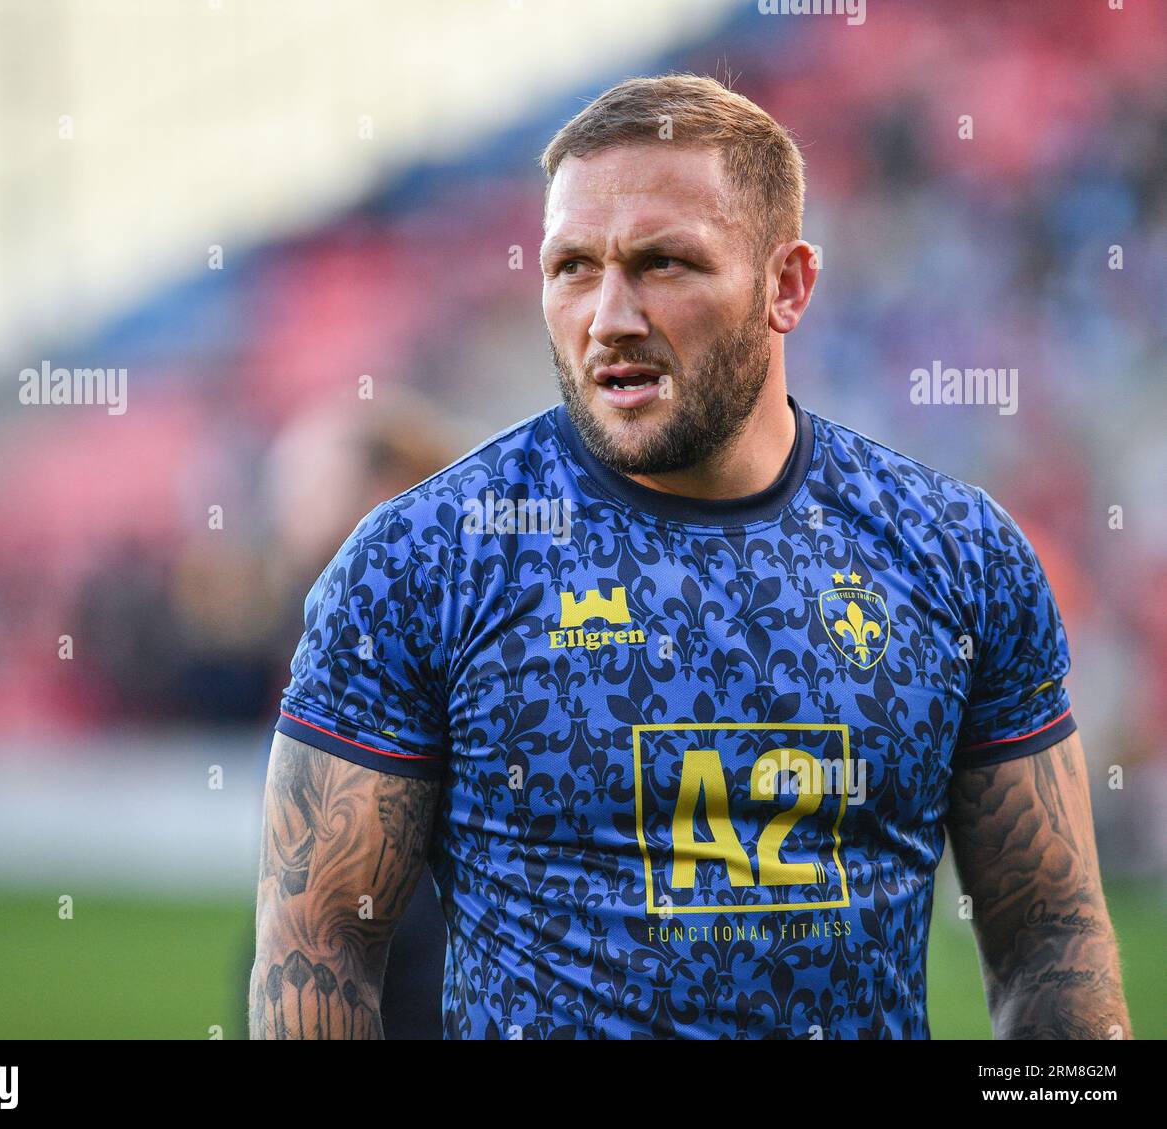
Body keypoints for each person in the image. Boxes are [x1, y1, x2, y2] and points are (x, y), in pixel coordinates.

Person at [249, 74, 1131, 1039]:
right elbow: (319, 950)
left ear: (786, 285)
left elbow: (1050, 936)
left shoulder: (954, 556)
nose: (609, 315)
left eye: (664, 264)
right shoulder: (423, 562)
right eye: (572, 267)